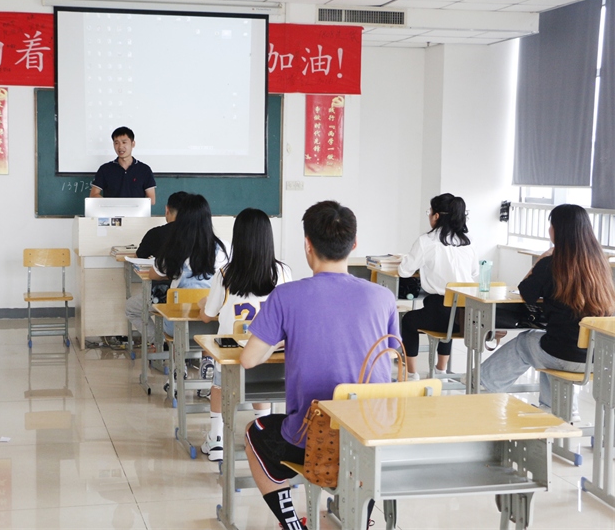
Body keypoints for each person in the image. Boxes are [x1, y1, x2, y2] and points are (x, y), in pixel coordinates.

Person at [240, 201, 399, 530]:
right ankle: (361, 518)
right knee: (358, 443)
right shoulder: (383, 296)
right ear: (354, 245)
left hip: (313, 441)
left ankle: (291, 523)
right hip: (373, 440)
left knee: (254, 433)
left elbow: (249, 359)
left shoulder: (286, 296)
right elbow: (391, 355)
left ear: (307, 244)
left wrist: (287, 338)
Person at [479, 204, 615, 417]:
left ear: (558, 230)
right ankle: (558, 409)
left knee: (527, 342)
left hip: (564, 356)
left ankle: (484, 384)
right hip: (598, 359)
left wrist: (542, 258)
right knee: (547, 342)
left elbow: (525, 290)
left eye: (551, 225)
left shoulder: (551, 264)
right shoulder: (600, 267)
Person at [197, 208, 292, 462]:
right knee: (262, 387)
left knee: (218, 386)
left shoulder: (225, 274)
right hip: (269, 357)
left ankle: (217, 439)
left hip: (231, 356)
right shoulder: (283, 272)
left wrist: (202, 303)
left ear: (238, 238)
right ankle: (264, 434)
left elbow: (207, 314)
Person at [398, 193, 479, 380]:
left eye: (430, 212)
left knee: (408, 321)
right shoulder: (469, 241)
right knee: (449, 320)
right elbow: (474, 272)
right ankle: (441, 370)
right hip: (466, 315)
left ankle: (412, 373)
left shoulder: (427, 241)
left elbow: (404, 271)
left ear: (436, 216)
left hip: (439, 310)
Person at [149, 194, 228, 337]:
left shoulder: (173, 248)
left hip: (178, 327)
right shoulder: (224, 248)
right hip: (214, 325)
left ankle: (166, 349)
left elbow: (153, 275)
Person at [124, 191, 187, 345]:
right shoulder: (199, 236)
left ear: (167, 209)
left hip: (163, 296)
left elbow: (138, 258)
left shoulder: (156, 234)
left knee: (131, 308)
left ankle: (160, 343)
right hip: (194, 296)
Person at [89, 127, 156, 205]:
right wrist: (111, 205)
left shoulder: (144, 170)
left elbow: (151, 199)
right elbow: (93, 195)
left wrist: (131, 206)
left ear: (133, 144)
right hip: (112, 212)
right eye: (116, 143)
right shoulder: (105, 169)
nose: (120, 146)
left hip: (136, 212)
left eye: (124, 142)